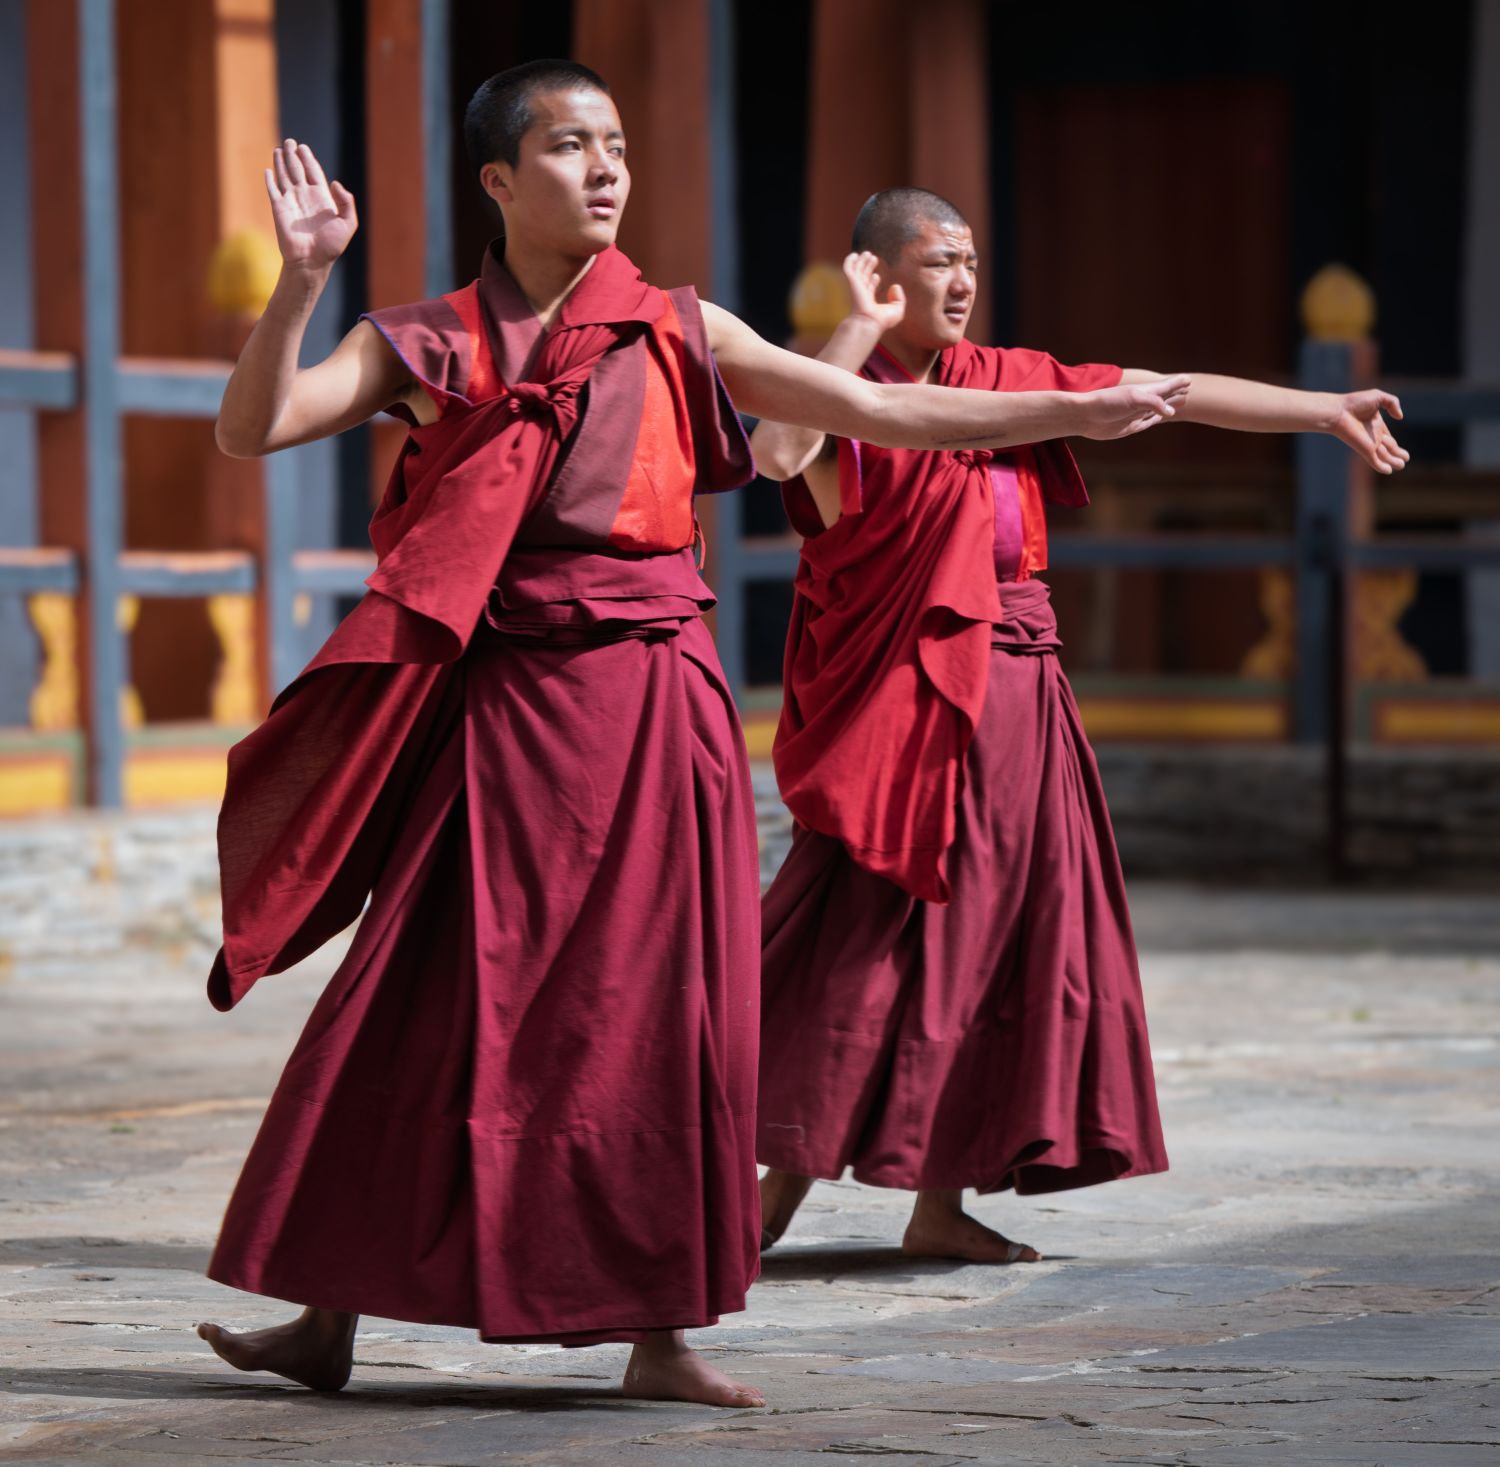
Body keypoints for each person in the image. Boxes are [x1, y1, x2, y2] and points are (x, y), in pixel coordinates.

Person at [193, 71, 1187, 1409]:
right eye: (568, 147)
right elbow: (255, 427)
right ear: (499, 179)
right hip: (506, 720)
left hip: (659, 711)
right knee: (429, 994)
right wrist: (303, 280)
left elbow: (879, 411)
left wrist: (1067, 410)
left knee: (663, 1016)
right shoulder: (427, 339)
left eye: (614, 146)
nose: (605, 170)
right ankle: (327, 1311)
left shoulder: (675, 323)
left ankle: (660, 1330)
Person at [753, 188, 1407, 1265]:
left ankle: (939, 1203)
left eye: (969, 259)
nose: (961, 281)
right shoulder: (844, 403)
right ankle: (771, 1197)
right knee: (868, 941)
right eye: (936, 262)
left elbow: (1173, 394)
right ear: (878, 272)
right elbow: (778, 455)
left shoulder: (1012, 377)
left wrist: (1321, 409)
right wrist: (856, 333)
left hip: (1022, 689)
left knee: (1005, 938)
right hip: (910, 709)